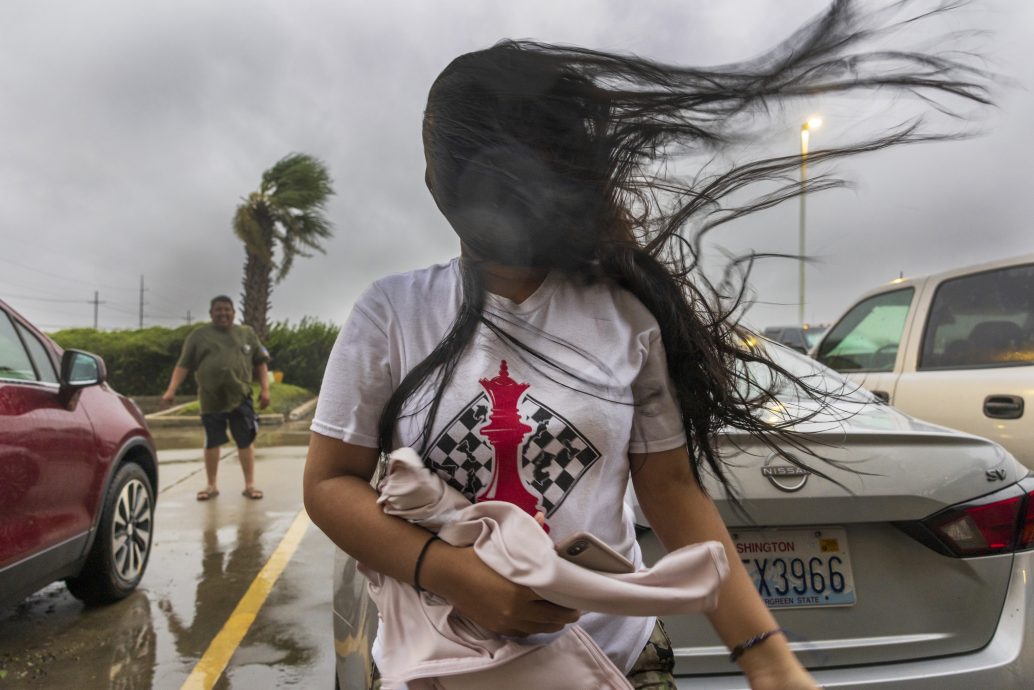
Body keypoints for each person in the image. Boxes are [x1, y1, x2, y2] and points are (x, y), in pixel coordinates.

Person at [303, 3, 990, 688]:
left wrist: (767, 658)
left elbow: (668, 489)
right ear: (437, 188)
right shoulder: (392, 314)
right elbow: (329, 482)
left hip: (614, 661)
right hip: (443, 668)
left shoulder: (624, 314)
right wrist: (450, 571)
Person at [162, 295, 270, 501]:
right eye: (218, 310)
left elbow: (261, 363)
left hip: (241, 396)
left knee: (245, 440)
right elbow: (183, 365)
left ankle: (250, 485)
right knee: (212, 441)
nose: (223, 314)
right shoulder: (198, 336)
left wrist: (266, 389)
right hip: (211, 398)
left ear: (233, 312)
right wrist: (171, 390)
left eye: (227, 310)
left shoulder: (246, 333)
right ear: (211, 313)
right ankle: (211, 485)